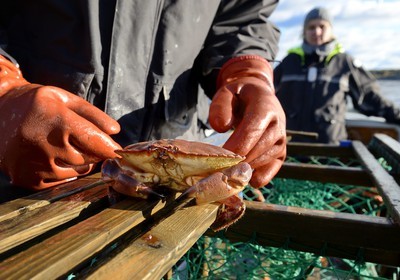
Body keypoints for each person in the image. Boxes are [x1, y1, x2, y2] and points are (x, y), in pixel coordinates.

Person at [0, 1, 287, 193]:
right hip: (26, 169)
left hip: (179, 190)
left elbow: (243, 16)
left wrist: (248, 72)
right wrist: (5, 90)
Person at [274, 7, 400, 144]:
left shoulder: (344, 62)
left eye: (322, 26)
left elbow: (368, 97)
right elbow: (268, 94)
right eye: (311, 27)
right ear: (304, 31)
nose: (316, 31)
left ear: (331, 30)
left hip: (330, 146)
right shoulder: (289, 61)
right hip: (290, 146)